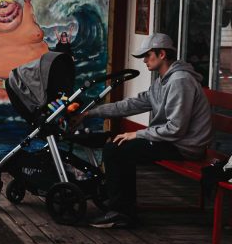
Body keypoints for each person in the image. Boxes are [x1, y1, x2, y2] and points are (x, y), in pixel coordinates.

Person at [81, 33, 212, 228]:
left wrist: (137, 133)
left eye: (147, 55)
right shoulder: (162, 81)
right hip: (171, 140)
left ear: (161, 54)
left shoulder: (179, 81)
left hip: (184, 145)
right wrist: (91, 113)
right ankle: (123, 209)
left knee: (116, 150)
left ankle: (121, 212)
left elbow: (176, 129)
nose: (144, 60)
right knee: (118, 146)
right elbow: (132, 104)